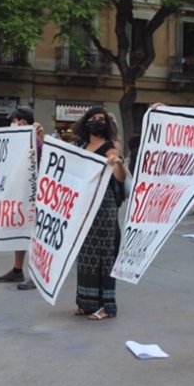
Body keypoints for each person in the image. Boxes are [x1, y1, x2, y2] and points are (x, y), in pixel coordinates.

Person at [72, 106, 127, 320]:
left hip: (104, 206)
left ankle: (106, 306)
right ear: (86, 122)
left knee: (104, 254)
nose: (97, 121)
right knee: (85, 253)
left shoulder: (112, 146)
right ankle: (86, 302)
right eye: (93, 118)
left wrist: (117, 163)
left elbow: (120, 177)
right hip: (83, 204)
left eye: (101, 118)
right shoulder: (81, 146)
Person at [0, 106, 44, 288]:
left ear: (25, 123)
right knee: (21, 231)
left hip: (35, 194)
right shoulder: (16, 142)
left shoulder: (36, 142)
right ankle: (17, 270)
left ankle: (37, 275)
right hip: (21, 193)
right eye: (13, 122)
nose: (14, 124)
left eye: (17, 121)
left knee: (35, 236)